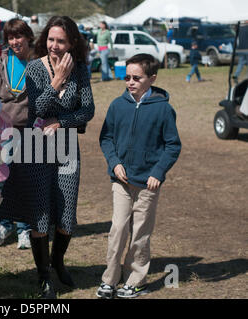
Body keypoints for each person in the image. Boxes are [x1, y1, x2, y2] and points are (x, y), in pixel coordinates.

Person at [0, 15, 95, 298]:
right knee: (39, 214)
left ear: (72, 42)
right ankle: (43, 276)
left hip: (65, 145)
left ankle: (58, 262)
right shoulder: (35, 68)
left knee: (66, 217)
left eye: (60, 41)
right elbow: (37, 108)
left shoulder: (81, 70)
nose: (54, 45)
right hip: (35, 146)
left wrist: (62, 122)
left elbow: (87, 111)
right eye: (51, 39)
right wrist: (58, 80)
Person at [97, 53, 181, 299]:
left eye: (137, 77)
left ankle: (135, 280)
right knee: (118, 229)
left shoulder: (164, 109)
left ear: (151, 78)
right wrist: (114, 163)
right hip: (121, 181)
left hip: (148, 184)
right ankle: (109, 280)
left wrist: (158, 172)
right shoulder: (117, 105)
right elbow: (106, 138)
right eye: (127, 77)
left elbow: (172, 145)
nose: (130, 82)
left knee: (140, 233)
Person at [0, 18, 34, 250]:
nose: (16, 42)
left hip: (29, 128)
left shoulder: (38, 61)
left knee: (24, 181)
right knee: (2, 180)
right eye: (11, 37)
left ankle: (24, 229)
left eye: (19, 36)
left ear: (28, 36)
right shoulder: (0, 59)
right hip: (3, 127)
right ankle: (4, 223)